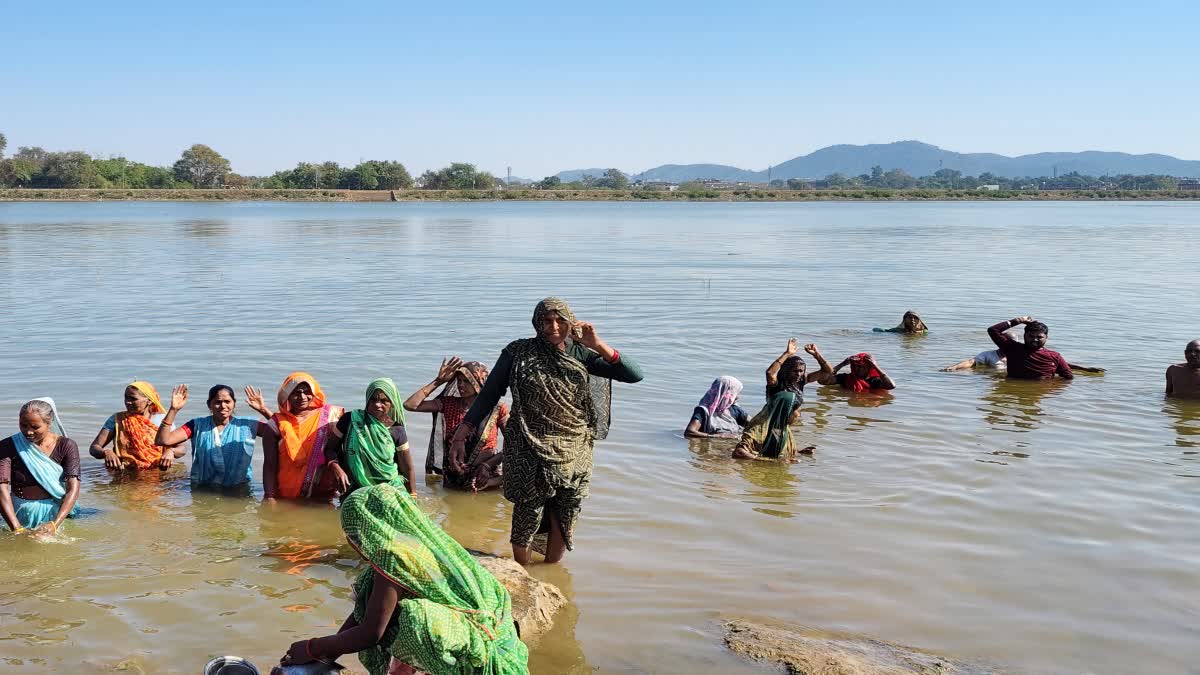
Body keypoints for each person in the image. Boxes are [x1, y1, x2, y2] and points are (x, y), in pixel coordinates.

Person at [452, 297, 643, 565]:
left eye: (560, 320)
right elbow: (489, 394)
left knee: (565, 512)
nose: (553, 327)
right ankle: (524, 573)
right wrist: (463, 432)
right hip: (527, 444)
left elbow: (634, 374)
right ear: (536, 323)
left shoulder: (581, 353)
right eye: (546, 321)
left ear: (570, 322)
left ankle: (550, 571)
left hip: (574, 447)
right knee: (527, 512)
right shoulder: (517, 353)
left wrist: (597, 344)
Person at [278, 482, 528, 675]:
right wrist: (327, 655)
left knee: (410, 618)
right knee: (383, 600)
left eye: (351, 533)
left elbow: (371, 632)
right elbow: (362, 613)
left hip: (475, 654)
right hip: (491, 637)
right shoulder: (424, 543)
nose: (350, 540)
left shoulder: (393, 556)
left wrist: (312, 647)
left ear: (364, 531)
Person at [404, 358, 509, 491]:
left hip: (485, 478)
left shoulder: (496, 408)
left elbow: (514, 443)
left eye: (466, 381)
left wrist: (487, 466)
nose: (461, 385)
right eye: (459, 380)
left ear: (478, 382)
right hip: (453, 478)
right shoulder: (448, 404)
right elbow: (410, 405)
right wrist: (439, 381)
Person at [153, 384, 272, 492]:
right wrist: (173, 410)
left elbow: (282, 432)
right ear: (209, 404)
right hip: (203, 490)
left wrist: (263, 410)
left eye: (227, 401)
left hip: (238, 490)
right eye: (218, 402)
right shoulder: (196, 425)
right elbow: (162, 440)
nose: (223, 406)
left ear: (234, 403)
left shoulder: (249, 425)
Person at [0, 399, 82, 534]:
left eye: (35, 427)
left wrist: (54, 524)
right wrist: (16, 527)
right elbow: (1, 488)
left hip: (58, 514)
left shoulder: (66, 446)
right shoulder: (7, 446)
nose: (28, 432)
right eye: (23, 425)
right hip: (20, 514)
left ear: (49, 423)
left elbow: (73, 487)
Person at [261, 372, 345, 502]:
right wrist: (269, 496)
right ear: (287, 396)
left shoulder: (330, 417)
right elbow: (269, 465)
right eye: (296, 393)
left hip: (322, 493)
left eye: (307, 392)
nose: (302, 397)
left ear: (314, 392)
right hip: (286, 494)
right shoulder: (276, 424)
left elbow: (341, 450)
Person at [327, 378, 415, 497]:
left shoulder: (396, 430)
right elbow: (329, 449)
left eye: (384, 401)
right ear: (367, 399)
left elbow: (407, 468)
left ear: (392, 403)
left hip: (389, 490)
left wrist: (413, 495)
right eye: (373, 399)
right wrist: (336, 467)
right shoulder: (350, 420)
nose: (377, 405)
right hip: (355, 488)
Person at [89, 381, 185, 471]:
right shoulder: (117, 420)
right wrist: (106, 452)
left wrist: (171, 452)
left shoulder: (162, 420)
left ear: (149, 401)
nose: (127, 402)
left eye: (133, 399)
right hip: (125, 473)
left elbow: (182, 449)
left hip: (158, 473)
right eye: (126, 397)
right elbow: (94, 448)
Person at [730, 391, 812, 460]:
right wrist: (766, 461)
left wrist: (799, 452)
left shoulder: (782, 427)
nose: (799, 415)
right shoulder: (761, 429)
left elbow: (773, 449)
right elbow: (738, 452)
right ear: (787, 411)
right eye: (798, 411)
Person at [987, 316, 1073, 380]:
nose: (1035, 340)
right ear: (1024, 336)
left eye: (1039, 337)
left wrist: (1050, 389)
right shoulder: (1012, 348)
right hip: (1014, 393)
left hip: (1041, 393)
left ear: (1046, 337)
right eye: (1031, 336)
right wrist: (1018, 320)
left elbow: (1068, 377)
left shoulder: (1055, 356)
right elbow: (993, 330)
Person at [941, 346, 1105, 373]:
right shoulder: (989, 355)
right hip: (993, 377)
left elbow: (1058, 364)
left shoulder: (1021, 354)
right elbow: (971, 362)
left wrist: (1085, 369)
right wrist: (954, 367)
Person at [765, 338, 835, 401]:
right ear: (787, 370)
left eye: (801, 371)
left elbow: (829, 372)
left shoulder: (801, 380)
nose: (798, 374)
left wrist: (817, 355)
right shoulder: (776, 383)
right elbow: (770, 373)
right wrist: (787, 354)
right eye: (795, 371)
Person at [685, 376, 750, 438]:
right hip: (712, 447)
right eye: (736, 393)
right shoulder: (703, 411)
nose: (738, 397)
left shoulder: (734, 409)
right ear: (726, 393)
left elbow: (754, 423)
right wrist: (718, 436)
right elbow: (689, 432)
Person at [827, 353, 897, 391]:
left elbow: (891, 386)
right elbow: (824, 380)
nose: (858, 369)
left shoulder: (875, 381)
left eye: (862, 367)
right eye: (856, 366)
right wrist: (843, 364)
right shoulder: (845, 378)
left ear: (870, 368)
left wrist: (875, 366)